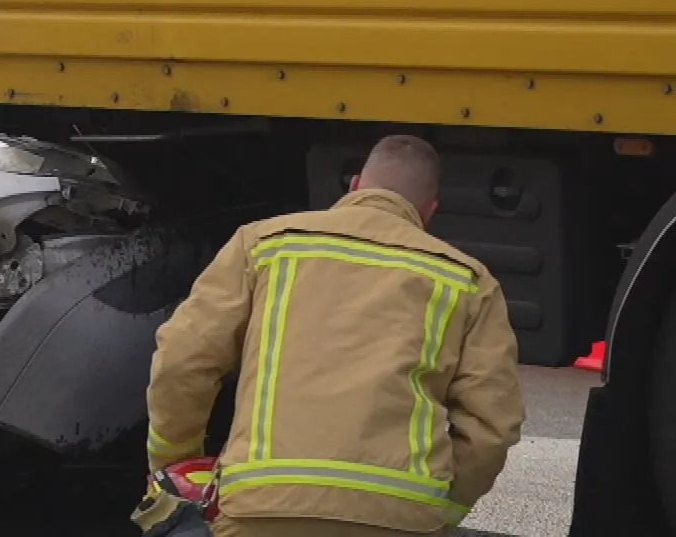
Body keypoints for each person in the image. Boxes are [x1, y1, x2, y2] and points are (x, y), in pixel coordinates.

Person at [144, 135, 525, 536]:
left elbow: (183, 360)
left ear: (356, 185)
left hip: (263, 507)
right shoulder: (468, 281)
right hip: (397, 518)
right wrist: (444, 511)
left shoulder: (264, 244)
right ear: (429, 211)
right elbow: (492, 426)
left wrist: (175, 464)